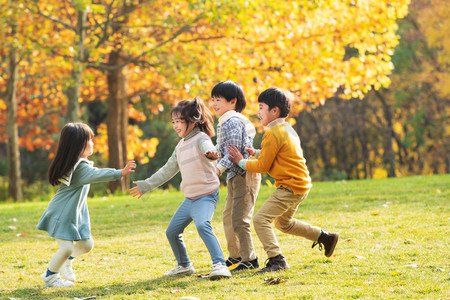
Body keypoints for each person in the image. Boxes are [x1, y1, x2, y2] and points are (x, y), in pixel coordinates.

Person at [227, 87, 339, 274]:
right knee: (283, 224)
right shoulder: (286, 129)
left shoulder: (272, 133)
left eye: (261, 107)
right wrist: (255, 153)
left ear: (274, 110)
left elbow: (262, 166)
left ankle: (276, 260)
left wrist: (241, 161)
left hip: (290, 185)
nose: (258, 112)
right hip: (300, 184)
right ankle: (325, 237)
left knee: (261, 219)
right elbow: (277, 155)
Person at [129, 98, 231, 280]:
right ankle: (184, 265)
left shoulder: (201, 138)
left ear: (192, 120)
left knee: (202, 225)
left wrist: (212, 154)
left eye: (179, 121)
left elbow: (208, 148)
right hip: (190, 198)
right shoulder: (180, 146)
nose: (175, 126)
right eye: (173, 122)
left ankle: (220, 265)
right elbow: (167, 170)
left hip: (206, 195)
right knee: (172, 232)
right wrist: (146, 185)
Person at [37, 123, 136, 288]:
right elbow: (97, 174)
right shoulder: (80, 168)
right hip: (62, 213)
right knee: (66, 248)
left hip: (75, 213)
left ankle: (65, 263)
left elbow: (93, 172)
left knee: (87, 244)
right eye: (89, 139)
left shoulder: (78, 164)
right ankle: (50, 277)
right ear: (78, 145)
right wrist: (119, 173)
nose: (92, 142)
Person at [208, 80, 261, 271]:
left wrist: (218, 169)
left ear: (232, 101)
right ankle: (235, 255)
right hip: (234, 174)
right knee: (228, 217)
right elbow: (222, 147)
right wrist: (213, 154)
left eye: (218, 99)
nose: (214, 103)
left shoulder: (233, 121)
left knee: (240, 219)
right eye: (213, 99)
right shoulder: (224, 122)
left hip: (245, 174)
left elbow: (234, 150)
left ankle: (250, 259)